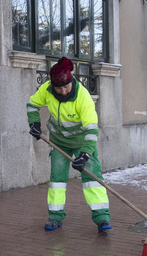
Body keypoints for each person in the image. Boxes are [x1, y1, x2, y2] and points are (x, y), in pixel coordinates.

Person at [26, 57, 111, 232]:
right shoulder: (46, 90)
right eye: (59, 88)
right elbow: (32, 104)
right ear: (52, 86)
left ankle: (102, 217)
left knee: (92, 178)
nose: (64, 91)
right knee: (57, 180)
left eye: (66, 87)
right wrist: (34, 123)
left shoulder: (83, 97)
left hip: (82, 143)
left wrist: (85, 154)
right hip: (58, 142)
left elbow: (92, 130)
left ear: (71, 81)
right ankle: (55, 217)